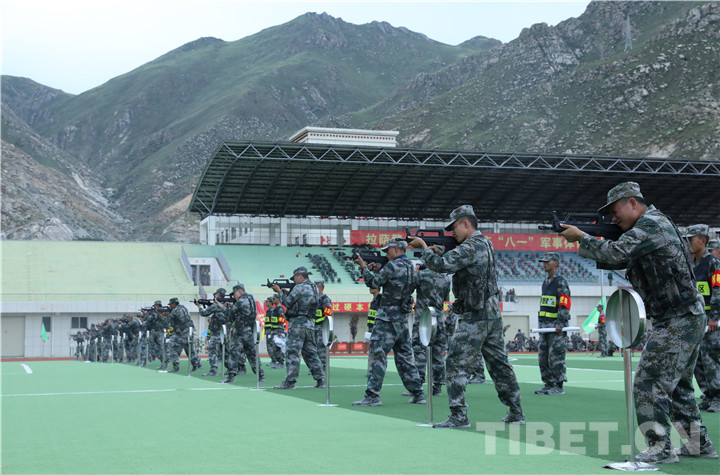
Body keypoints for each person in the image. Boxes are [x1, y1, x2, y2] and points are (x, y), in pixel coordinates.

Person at [560, 182, 716, 463]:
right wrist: (590, 240)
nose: (613, 218)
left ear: (633, 203)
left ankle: (659, 447)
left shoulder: (651, 225)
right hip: (684, 315)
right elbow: (618, 259)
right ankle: (697, 444)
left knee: (648, 382)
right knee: (678, 385)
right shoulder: (651, 225)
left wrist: (582, 238)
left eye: (615, 210)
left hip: (679, 317)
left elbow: (617, 254)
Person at [410, 205, 524, 427]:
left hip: (476, 315)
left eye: (454, 227)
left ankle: (459, 415)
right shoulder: (485, 243)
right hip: (491, 313)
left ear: (465, 223)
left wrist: (423, 248)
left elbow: (442, 265)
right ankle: (516, 412)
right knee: (500, 364)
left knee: (455, 362)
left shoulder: (471, 246)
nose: (452, 232)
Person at [351, 239, 425, 406]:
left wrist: (363, 267)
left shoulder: (392, 266)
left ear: (397, 249)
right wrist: (379, 270)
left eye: (388, 250)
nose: (386, 254)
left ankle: (372, 395)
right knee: (405, 357)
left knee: (377, 355)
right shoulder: (410, 267)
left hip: (387, 318)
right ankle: (418, 393)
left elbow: (373, 284)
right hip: (402, 318)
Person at [685, 225, 720, 413]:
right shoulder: (693, 265)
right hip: (697, 319)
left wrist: (714, 317)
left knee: (711, 360)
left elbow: (718, 291)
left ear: (703, 241)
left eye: (692, 239)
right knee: (698, 360)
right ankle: (708, 395)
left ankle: (718, 397)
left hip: (711, 320)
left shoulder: (713, 263)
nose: (689, 243)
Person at [272, 268, 324, 389]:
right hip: (310, 324)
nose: (294, 281)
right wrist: (287, 293)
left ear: (300, 276)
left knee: (292, 352)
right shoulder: (314, 288)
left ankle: (290, 381)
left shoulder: (299, 287)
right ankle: (320, 379)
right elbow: (302, 301)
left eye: (295, 278)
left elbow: (287, 303)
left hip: (297, 324)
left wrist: (279, 292)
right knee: (311, 353)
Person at [410, 263, 451, 396]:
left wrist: (415, 272)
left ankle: (418, 384)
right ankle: (437, 386)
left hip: (423, 317)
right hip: (438, 317)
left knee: (419, 350)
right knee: (438, 352)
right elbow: (445, 298)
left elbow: (409, 287)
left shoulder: (421, 275)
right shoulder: (445, 278)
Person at [535, 252, 571, 395]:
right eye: (543, 262)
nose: (544, 264)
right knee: (543, 357)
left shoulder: (560, 281)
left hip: (556, 326)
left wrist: (561, 323)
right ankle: (548, 383)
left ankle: (558, 385)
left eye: (547, 261)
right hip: (544, 327)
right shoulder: (545, 282)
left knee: (555, 356)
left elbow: (564, 303)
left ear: (556, 263)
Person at [222, 284, 265, 383]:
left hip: (240, 331)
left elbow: (230, 314)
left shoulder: (241, 300)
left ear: (239, 291)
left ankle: (231, 376)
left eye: (234, 294)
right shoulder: (251, 299)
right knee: (252, 354)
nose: (234, 296)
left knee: (234, 353)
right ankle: (261, 374)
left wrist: (222, 307)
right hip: (249, 330)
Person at [196, 288, 228, 377]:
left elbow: (204, 313)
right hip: (225, 332)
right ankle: (231, 369)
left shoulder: (215, 306)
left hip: (216, 333)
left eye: (216, 294)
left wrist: (199, 306)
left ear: (218, 295)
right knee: (225, 352)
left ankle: (213, 370)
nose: (214, 295)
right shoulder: (227, 305)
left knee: (213, 351)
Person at [165, 297, 202, 373]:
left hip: (182, 333)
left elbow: (168, 320)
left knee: (174, 349)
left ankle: (176, 367)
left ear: (174, 303)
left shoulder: (175, 310)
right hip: (189, 331)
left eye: (171, 304)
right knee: (190, 350)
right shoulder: (184, 308)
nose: (170, 306)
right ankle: (195, 365)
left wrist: (166, 314)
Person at [314, 280, 333, 370]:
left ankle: (323, 366)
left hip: (321, 327)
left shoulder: (325, 299)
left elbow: (327, 315)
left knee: (321, 348)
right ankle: (316, 366)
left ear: (320, 288)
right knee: (314, 347)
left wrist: (325, 328)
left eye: (315, 287)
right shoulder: (313, 298)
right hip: (313, 327)